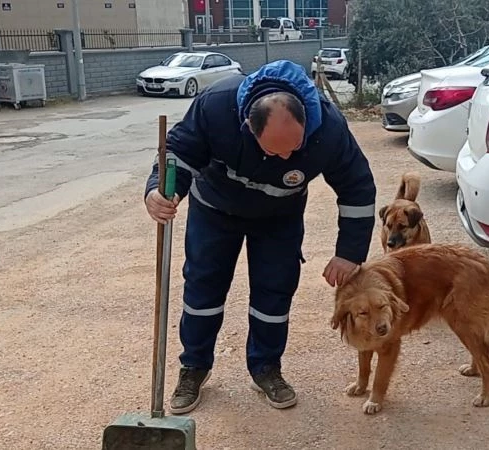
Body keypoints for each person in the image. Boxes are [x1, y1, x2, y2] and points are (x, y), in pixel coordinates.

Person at [143, 59, 376, 413]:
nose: (286, 156)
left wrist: (349, 252)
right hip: (215, 209)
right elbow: (179, 151)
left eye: (294, 148)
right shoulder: (216, 105)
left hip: (279, 217)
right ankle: (194, 366)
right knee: (202, 289)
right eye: (274, 150)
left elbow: (357, 186)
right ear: (248, 127)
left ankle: (266, 367)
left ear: (306, 122)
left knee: (275, 291)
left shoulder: (327, 128)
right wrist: (160, 191)